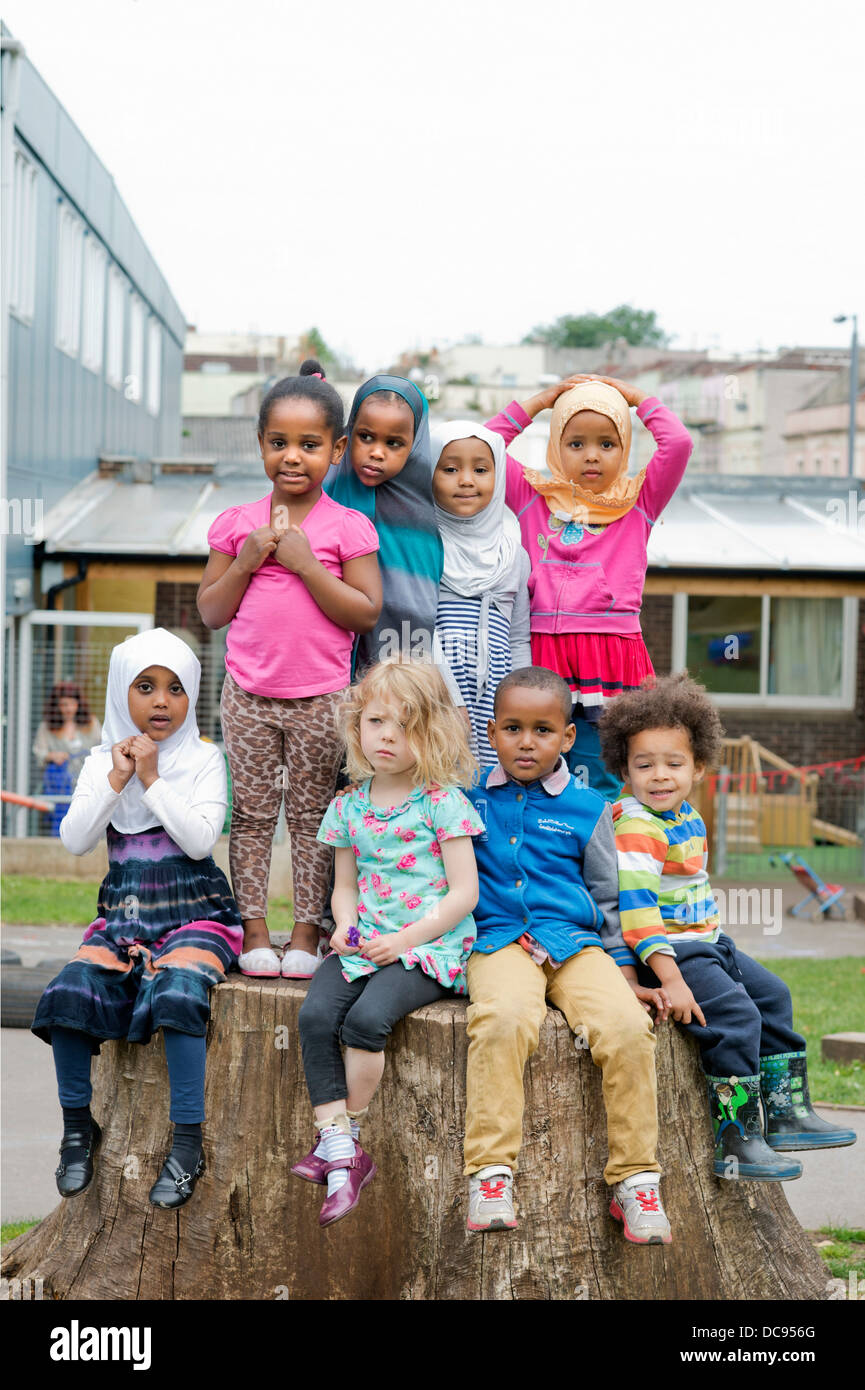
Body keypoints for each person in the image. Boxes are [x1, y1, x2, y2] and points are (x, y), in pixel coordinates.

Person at [600, 672, 857, 1181]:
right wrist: (669, 979)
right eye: (643, 764)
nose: (659, 775)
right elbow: (638, 910)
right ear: (624, 770)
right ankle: (737, 1137)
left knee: (774, 995)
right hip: (671, 953)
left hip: (709, 943)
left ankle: (785, 1113)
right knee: (738, 1019)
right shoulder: (637, 825)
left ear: (697, 767)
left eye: (674, 763)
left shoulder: (686, 816)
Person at [31, 629, 244, 1209]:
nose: (160, 702)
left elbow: (201, 842)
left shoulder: (203, 760)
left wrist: (152, 780)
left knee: (178, 993)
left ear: (191, 696)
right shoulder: (101, 761)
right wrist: (118, 779)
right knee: (67, 992)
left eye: (175, 689)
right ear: (119, 693)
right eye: (145, 687)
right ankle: (78, 1129)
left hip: (196, 916)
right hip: (123, 918)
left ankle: (187, 1142)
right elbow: (75, 839)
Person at [462, 665, 672, 1243]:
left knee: (628, 1029)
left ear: (567, 737)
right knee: (503, 1021)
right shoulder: (465, 800)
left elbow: (607, 897)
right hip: (498, 940)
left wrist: (625, 972)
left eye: (542, 730)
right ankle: (491, 1173)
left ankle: (635, 1180)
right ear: (492, 731)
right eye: (511, 728)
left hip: (576, 945)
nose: (526, 742)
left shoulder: (588, 808)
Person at [197, 361, 382, 979]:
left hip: (321, 700)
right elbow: (211, 610)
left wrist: (305, 563)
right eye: (279, 443)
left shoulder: (347, 527)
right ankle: (254, 932)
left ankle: (306, 935)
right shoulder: (235, 525)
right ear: (261, 446)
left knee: (311, 818)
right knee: (250, 815)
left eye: (309, 445)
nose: (292, 457)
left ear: (335, 451)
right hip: (248, 695)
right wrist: (247, 560)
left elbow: (364, 611)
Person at [293, 657, 483, 1227]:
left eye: (405, 726)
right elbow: (344, 886)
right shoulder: (347, 806)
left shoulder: (441, 801)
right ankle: (342, 1148)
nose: (388, 736)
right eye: (376, 722)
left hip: (428, 945)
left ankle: (345, 1137)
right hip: (364, 941)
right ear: (358, 727)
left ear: (434, 733)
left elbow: (464, 894)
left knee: (365, 1022)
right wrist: (346, 925)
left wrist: (402, 942)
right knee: (313, 1016)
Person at [485, 376, 693, 800]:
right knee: (537, 761)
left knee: (605, 769)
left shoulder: (640, 502)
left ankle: (607, 853)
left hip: (612, 653)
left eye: (607, 443)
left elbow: (680, 443)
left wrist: (635, 399)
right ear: (556, 447)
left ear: (624, 449)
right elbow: (484, 444)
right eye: (576, 443)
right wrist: (540, 401)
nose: (591, 456)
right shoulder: (532, 496)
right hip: (544, 650)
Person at [324, 375, 444, 676]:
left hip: (401, 657)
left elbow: (486, 447)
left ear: (415, 444)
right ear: (349, 432)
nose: (377, 452)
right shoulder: (326, 488)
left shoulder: (428, 503)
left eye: (393, 443)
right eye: (365, 437)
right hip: (326, 652)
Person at [429, 422, 531, 766]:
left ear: (498, 474)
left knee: (488, 793)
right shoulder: (422, 548)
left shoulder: (513, 556)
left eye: (481, 469)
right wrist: (451, 700)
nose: (467, 480)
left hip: (494, 702)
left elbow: (518, 638)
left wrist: (522, 704)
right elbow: (419, 631)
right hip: (436, 696)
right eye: (450, 468)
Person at [33, 682, 102, 836]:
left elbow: (102, 749)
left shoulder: (91, 723)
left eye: (72, 703)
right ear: (56, 706)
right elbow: (39, 752)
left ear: (79, 704)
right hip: (59, 789)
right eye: (64, 704)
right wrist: (52, 756)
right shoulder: (47, 727)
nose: (68, 709)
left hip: (87, 787)